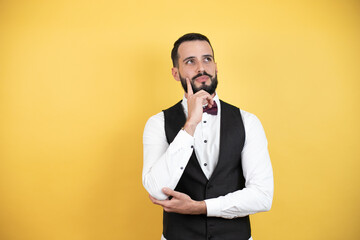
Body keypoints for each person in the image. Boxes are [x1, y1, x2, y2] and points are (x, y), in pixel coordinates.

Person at [142, 33, 274, 240]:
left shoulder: (248, 121)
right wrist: (190, 124)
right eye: (190, 61)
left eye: (207, 59)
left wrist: (200, 207)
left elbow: (263, 196)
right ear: (175, 73)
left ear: (216, 66)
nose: (201, 68)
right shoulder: (157, 123)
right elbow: (157, 191)